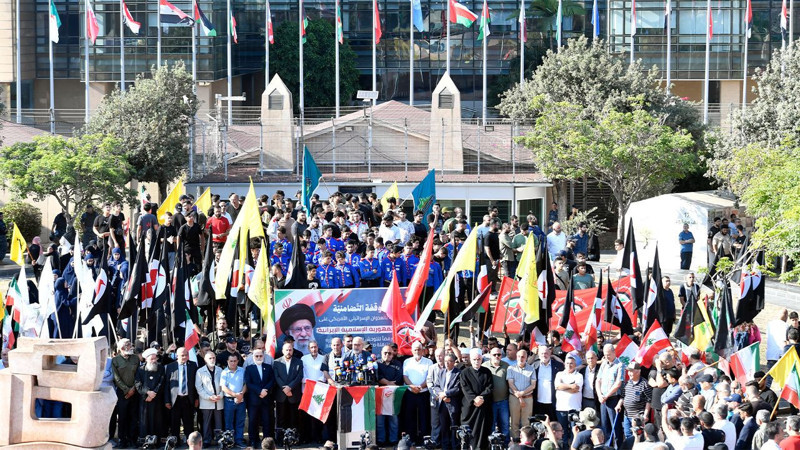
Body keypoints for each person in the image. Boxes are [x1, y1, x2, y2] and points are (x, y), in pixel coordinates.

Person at [461, 348, 493, 449]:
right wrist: (474, 399)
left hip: (483, 405)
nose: (476, 361)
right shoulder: (464, 373)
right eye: (474, 359)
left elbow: (490, 387)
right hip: (470, 407)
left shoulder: (487, 372)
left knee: (483, 429)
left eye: (478, 359)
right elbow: (465, 387)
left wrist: (481, 397)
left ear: (481, 359)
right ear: (471, 359)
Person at [402, 341, 434, 445]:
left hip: (423, 392)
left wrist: (420, 387)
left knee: (424, 417)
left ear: (423, 350)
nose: (417, 351)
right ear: (412, 351)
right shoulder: (407, 361)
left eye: (419, 349)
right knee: (409, 417)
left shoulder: (429, 362)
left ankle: (423, 440)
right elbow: (405, 376)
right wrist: (412, 386)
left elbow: (429, 377)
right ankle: (410, 440)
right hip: (410, 392)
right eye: (415, 349)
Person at [164, 347, 198, 444]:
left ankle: (190, 441)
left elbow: (195, 383)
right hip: (175, 399)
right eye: (182, 355)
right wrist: (167, 400)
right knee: (175, 423)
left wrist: (196, 398)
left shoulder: (193, 365)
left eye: (186, 355)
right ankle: (175, 442)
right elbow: (167, 385)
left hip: (188, 399)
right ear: (177, 356)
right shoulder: (170, 366)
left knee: (188, 422)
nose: (185, 357)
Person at [300, 340, 331, 444]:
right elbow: (302, 373)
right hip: (307, 390)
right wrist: (308, 381)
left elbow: (324, 373)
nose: (313, 349)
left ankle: (318, 437)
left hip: (319, 390)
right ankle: (307, 438)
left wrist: (319, 381)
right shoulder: (304, 359)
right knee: (307, 415)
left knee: (318, 414)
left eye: (315, 347)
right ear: (308, 349)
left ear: (318, 347)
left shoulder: (323, 358)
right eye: (311, 347)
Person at [111, 339, 140, 448]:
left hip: (134, 392)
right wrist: (126, 390)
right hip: (122, 393)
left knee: (134, 417)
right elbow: (116, 378)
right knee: (122, 417)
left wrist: (133, 389)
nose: (131, 346)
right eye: (128, 345)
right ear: (122, 348)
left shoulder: (135, 358)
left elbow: (138, 374)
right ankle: (122, 440)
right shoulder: (115, 360)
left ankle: (133, 440)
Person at [244, 349, 275, 447]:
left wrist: (265, 390)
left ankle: (266, 442)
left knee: (266, 420)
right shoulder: (249, 368)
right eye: (256, 356)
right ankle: (253, 440)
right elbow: (248, 383)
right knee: (253, 420)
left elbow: (272, 380)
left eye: (260, 356)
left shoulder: (268, 367)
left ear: (263, 356)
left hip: (266, 398)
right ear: (253, 357)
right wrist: (259, 391)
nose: (258, 358)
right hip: (254, 399)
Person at [431, 353, 462, 450]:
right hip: (442, 403)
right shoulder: (441, 372)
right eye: (445, 361)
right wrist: (441, 395)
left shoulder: (458, 373)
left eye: (449, 361)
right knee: (444, 426)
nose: (447, 363)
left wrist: (446, 394)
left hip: (453, 403)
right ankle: (445, 446)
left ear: (454, 362)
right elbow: (436, 386)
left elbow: (458, 388)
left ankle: (454, 446)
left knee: (454, 426)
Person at [273, 342, 303, 438]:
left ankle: (294, 439)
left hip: (294, 395)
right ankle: (280, 439)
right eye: (286, 350)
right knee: (281, 419)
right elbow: (276, 377)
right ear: (282, 351)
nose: (288, 352)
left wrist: (290, 387)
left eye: (290, 350)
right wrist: (285, 388)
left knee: (294, 419)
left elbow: (299, 376)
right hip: (281, 395)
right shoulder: (276, 362)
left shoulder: (299, 362)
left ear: (293, 350)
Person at [596, 344, 624, 447]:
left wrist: (606, 395)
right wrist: (599, 395)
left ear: (614, 352)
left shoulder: (620, 365)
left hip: (613, 399)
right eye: (605, 355)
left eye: (608, 354)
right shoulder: (604, 364)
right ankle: (607, 447)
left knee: (615, 426)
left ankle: (617, 447)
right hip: (603, 399)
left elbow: (618, 384)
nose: (607, 357)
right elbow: (598, 380)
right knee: (605, 426)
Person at [507, 348, 537, 441]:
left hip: (528, 398)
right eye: (519, 356)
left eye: (523, 356)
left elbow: (533, 385)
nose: (521, 358)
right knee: (514, 421)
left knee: (526, 422)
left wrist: (522, 393)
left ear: (526, 357)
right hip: (514, 398)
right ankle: (515, 441)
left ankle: (526, 441)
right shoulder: (511, 368)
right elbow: (511, 384)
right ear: (516, 357)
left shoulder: (531, 369)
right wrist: (520, 397)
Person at [195, 351, 224, 447]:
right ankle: (207, 440)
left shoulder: (220, 370)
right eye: (210, 358)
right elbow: (199, 387)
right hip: (206, 401)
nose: (212, 360)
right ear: (205, 360)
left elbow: (224, 385)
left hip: (218, 400)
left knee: (219, 422)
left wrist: (220, 395)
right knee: (206, 422)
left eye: (213, 358)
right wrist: (208, 397)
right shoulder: (200, 371)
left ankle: (219, 440)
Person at [617, 362, 651, 440]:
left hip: (638, 417)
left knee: (638, 436)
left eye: (631, 371)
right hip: (626, 415)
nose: (629, 373)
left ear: (638, 371)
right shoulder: (627, 383)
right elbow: (622, 396)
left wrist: (645, 415)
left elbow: (648, 401)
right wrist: (618, 405)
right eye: (628, 371)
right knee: (628, 435)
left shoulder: (645, 384)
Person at [136, 348, 165, 438]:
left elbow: (161, 382)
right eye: (152, 359)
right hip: (145, 400)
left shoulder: (160, 368)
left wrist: (153, 394)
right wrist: (147, 393)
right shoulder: (140, 369)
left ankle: (156, 441)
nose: (154, 360)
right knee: (145, 422)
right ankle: (145, 441)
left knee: (157, 421)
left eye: (155, 358)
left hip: (157, 400)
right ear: (146, 359)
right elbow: (138, 384)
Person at [554, 355, 583, 447]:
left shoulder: (579, 376)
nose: (569, 365)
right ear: (564, 364)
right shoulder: (559, 374)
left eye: (571, 363)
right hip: (561, 408)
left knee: (574, 432)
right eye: (567, 363)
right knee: (563, 432)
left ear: (575, 365)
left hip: (575, 408)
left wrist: (563, 386)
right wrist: (570, 386)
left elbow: (576, 389)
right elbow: (557, 386)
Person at [220, 353, 247, 448]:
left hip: (241, 400)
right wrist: (235, 395)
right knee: (229, 422)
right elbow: (223, 387)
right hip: (229, 400)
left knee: (240, 421)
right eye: (231, 361)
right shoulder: (224, 372)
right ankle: (229, 441)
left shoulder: (242, 370)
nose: (233, 363)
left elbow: (245, 384)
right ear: (227, 361)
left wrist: (241, 395)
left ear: (238, 361)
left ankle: (239, 440)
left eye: (235, 361)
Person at [534, 344, 564, 421]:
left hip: (553, 402)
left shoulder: (558, 366)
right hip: (538, 403)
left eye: (546, 353)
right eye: (542, 353)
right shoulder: (534, 366)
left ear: (550, 353)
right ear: (538, 355)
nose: (544, 355)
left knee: (553, 424)